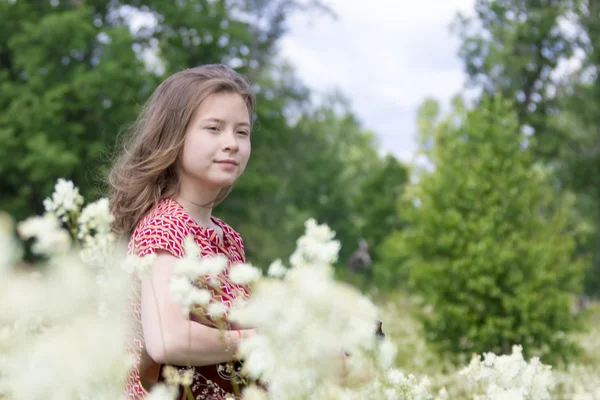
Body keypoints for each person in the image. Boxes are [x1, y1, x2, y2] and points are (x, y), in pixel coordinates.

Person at [108, 64, 257, 400]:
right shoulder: (166, 225)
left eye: (242, 132)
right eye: (214, 128)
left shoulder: (227, 237)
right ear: (174, 135)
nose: (231, 143)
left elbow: (229, 338)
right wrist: (257, 341)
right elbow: (167, 339)